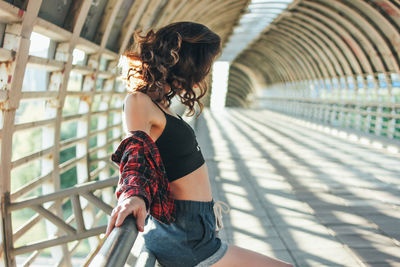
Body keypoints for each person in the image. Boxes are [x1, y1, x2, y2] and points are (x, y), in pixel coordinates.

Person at [106, 21, 294, 267]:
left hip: (195, 231)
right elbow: (135, 152)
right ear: (186, 62)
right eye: (204, 64)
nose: (206, 72)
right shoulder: (138, 101)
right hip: (184, 239)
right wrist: (134, 195)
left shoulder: (162, 105)